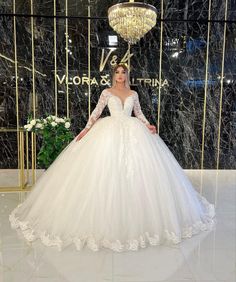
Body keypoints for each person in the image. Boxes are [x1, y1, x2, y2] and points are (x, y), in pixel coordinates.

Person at [9, 63, 216, 252]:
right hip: (108, 131)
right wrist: (86, 130)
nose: (120, 75)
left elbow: (139, 113)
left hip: (134, 131)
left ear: (127, 75)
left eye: (123, 72)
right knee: (105, 171)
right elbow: (96, 113)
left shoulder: (133, 93)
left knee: (139, 171)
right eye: (117, 72)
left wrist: (148, 125)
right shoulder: (106, 92)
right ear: (113, 75)